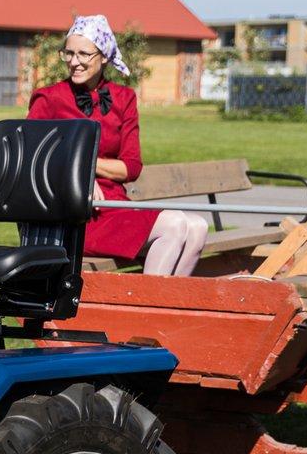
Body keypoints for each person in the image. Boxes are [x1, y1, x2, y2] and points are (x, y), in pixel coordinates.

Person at [27, 15, 208, 276]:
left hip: (115, 207)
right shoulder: (49, 98)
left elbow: (131, 167)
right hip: (74, 216)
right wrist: (80, 175)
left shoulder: (124, 98)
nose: (74, 62)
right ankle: (146, 309)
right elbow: (32, 158)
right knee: (175, 224)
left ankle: (163, 310)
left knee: (199, 226)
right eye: (68, 53)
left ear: (103, 57)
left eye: (83, 54)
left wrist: (87, 164)